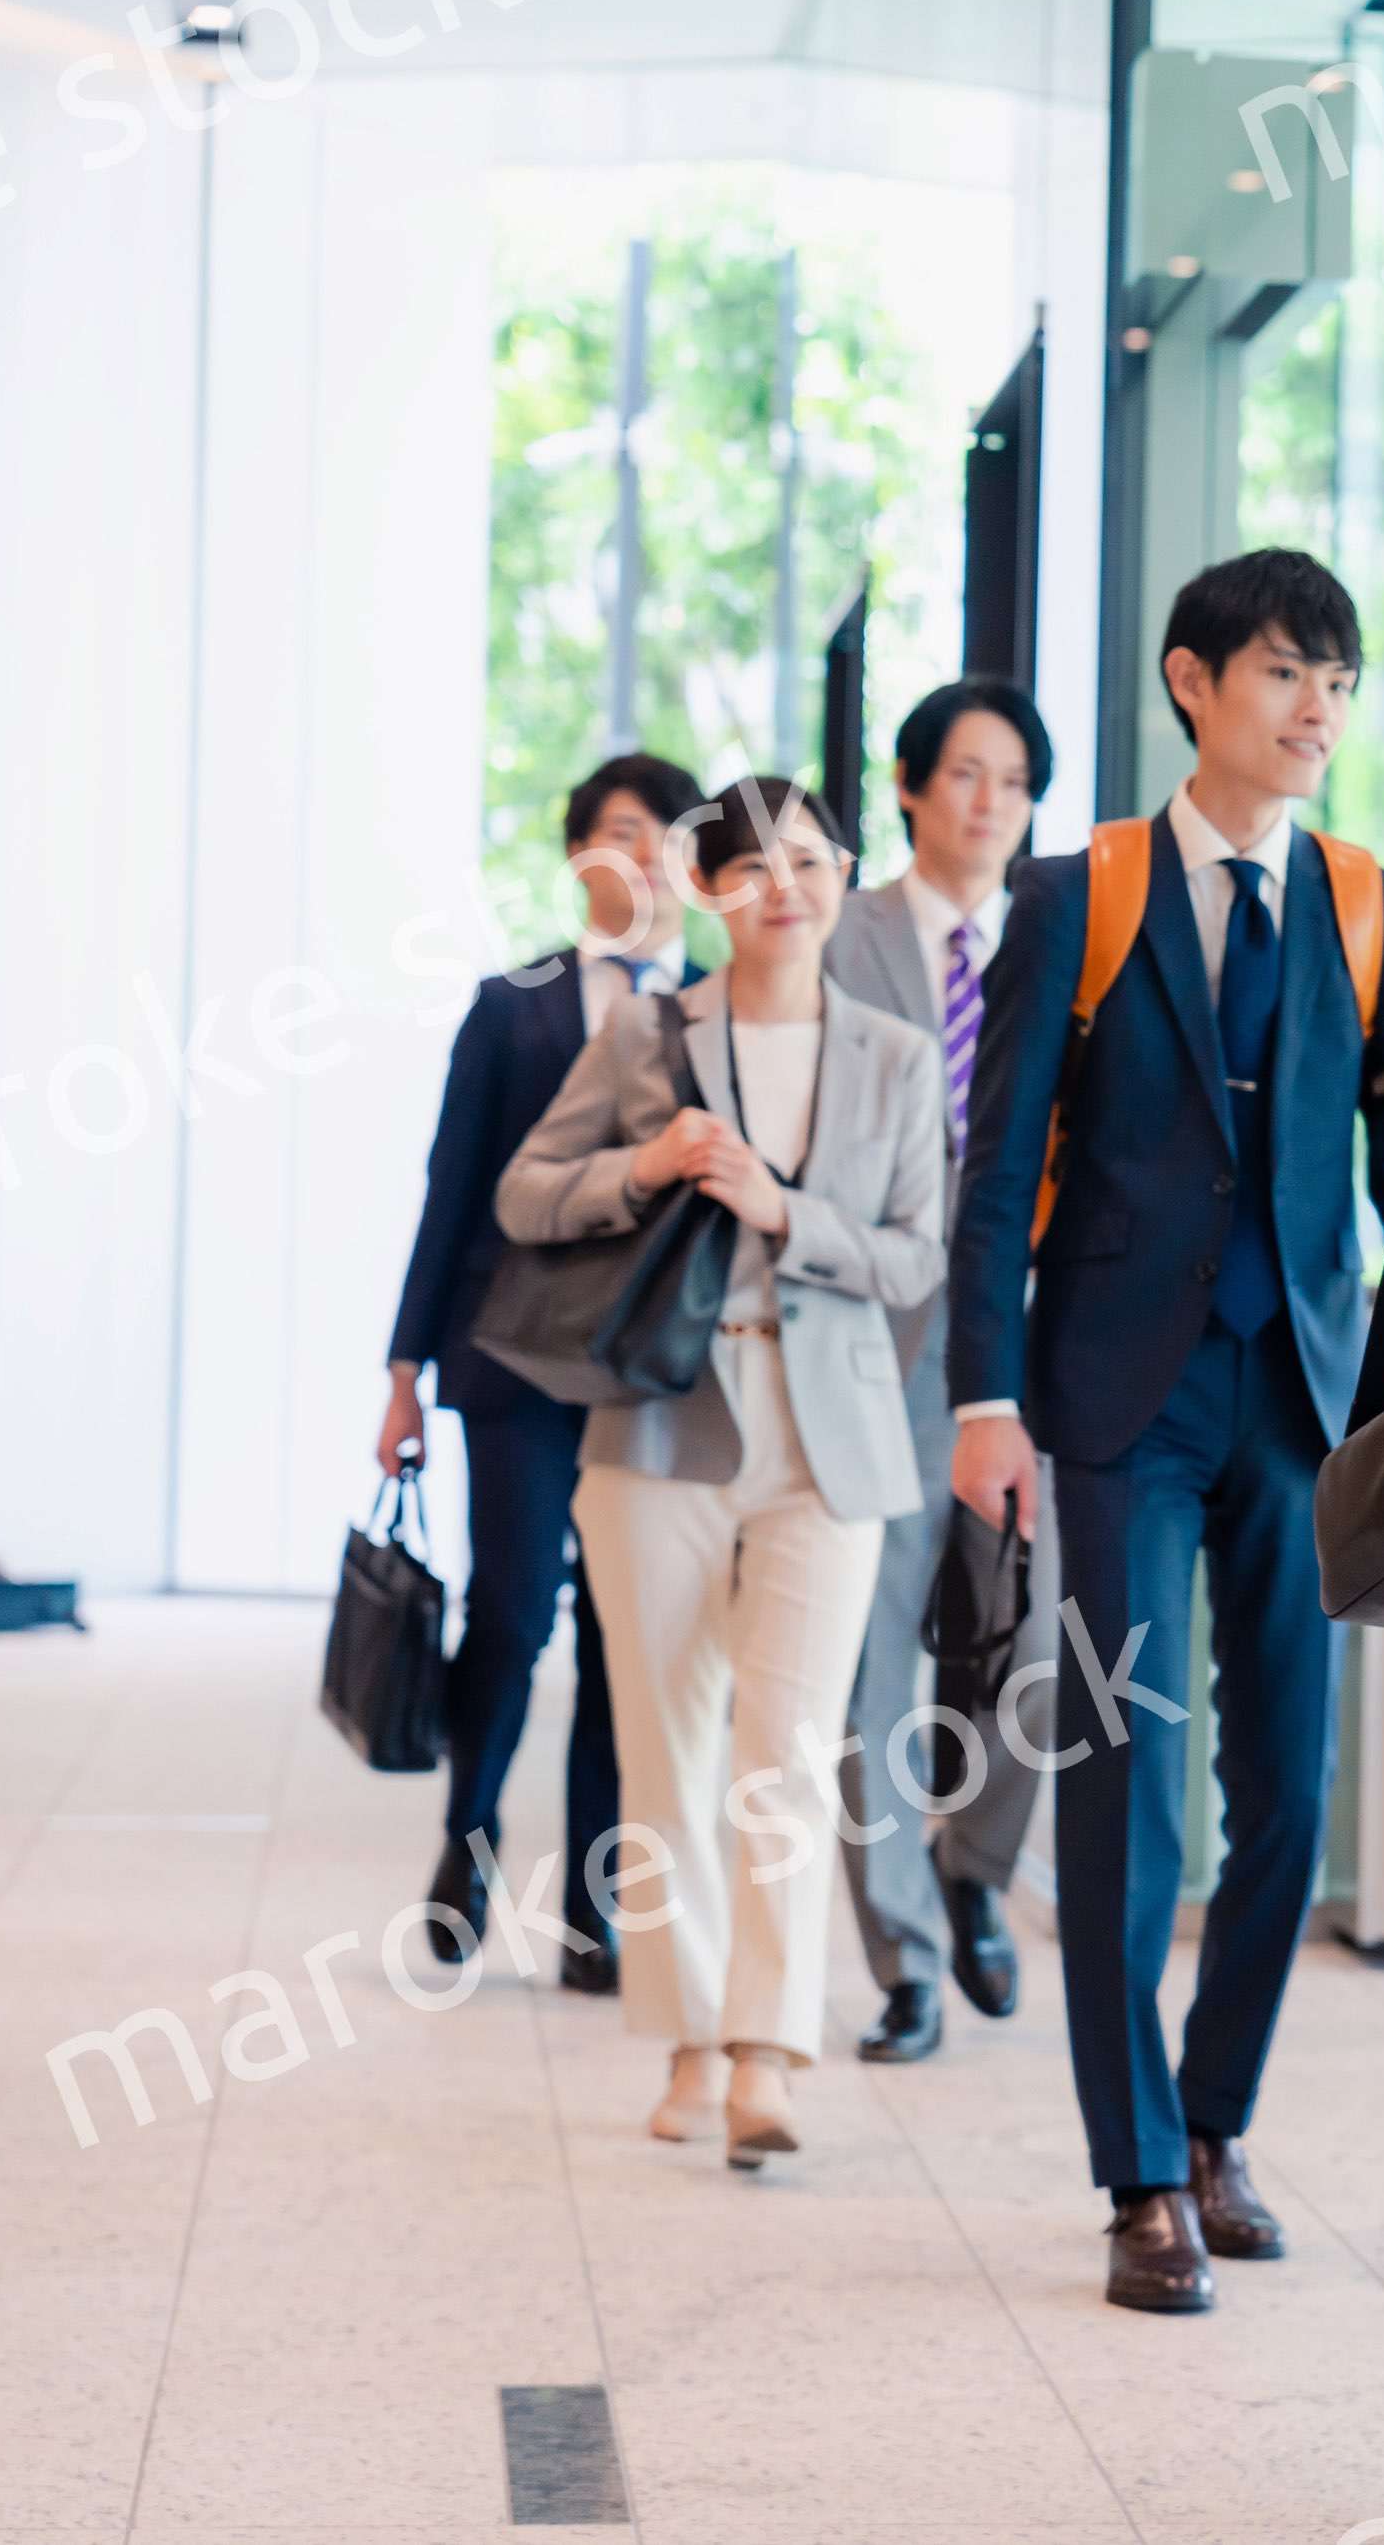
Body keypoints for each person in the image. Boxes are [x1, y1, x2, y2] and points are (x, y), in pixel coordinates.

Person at [943, 548, 1384, 2315]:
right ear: (1193, 682)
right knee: (1125, 1779)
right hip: (1116, 1399)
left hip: (1306, 1404)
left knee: (1286, 1799)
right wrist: (986, 1386)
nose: (1318, 709)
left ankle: (1219, 2117)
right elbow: (999, 1161)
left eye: (1338, 679)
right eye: (1283, 674)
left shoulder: (1365, 899)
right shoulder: (1075, 892)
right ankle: (1139, 2172)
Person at [495, 776, 948, 2170]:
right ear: (708, 889)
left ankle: (767, 2047)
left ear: (845, 870)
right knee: (667, 1737)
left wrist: (785, 1212)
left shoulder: (892, 1053)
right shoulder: (648, 1029)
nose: (784, 890)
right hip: (658, 1416)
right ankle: (690, 2031)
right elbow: (523, 1192)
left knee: (791, 1745)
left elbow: (918, 1255)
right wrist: (644, 1163)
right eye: (750, 870)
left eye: (808, 862)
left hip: (830, 1430)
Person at [379, 751, 703, 1987]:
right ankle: (468, 1836)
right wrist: (404, 1369)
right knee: (510, 1614)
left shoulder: (714, 1006)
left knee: (629, 1635)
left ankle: (589, 1903)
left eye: (672, 837)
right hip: (510, 1362)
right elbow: (449, 1193)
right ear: (580, 855)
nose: (649, 856)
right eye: (624, 832)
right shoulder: (509, 1002)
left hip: (647, 1371)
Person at [821, 677, 1066, 2065]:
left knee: (1034, 1647)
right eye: (967, 773)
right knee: (872, 1671)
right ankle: (906, 1954)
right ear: (911, 785)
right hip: (869, 1354)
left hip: (1018, 1355)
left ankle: (974, 1865)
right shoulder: (844, 937)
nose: (991, 802)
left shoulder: (1057, 935)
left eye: (1016, 781)